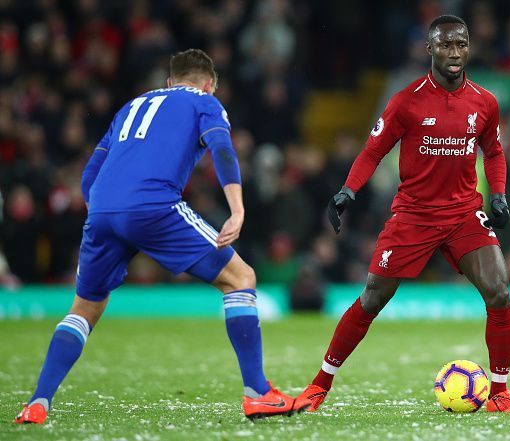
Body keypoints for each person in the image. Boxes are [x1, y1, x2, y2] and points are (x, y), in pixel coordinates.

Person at [15, 49, 310, 424]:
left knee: (84, 309)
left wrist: (104, 213)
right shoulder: (205, 102)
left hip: (103, 209)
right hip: (153, 205)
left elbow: (91, 171)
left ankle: (38, 402)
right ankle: (258, 394)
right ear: (210, 84)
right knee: (241, 278)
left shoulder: (132, 105)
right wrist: (237, 208)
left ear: (169, 82)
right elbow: (221, 147)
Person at [296, 15, 510, 413]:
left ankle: (500, 394)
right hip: (414, 216)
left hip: (463, 214)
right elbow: (373, 150)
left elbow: (493, 152)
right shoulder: (406, 101)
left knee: (500, 291)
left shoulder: (484, 102)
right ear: (430, 49)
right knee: (372, 299)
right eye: (445, 45)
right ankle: (319, 385)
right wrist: (347, 191)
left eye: (460, 44)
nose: (454, 53)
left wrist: (500, 197)